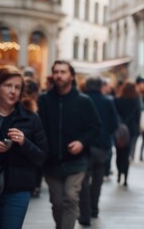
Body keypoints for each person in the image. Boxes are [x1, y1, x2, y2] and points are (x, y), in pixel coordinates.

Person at [38, 60, 101, 229]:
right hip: (51, 162)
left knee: (71, 198)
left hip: (76, 161)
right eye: (56, 71)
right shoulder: (43, 100)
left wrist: (82, 142)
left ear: (71, 76)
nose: (59, 75)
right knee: (57, 203)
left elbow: (96, 127)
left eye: (63, 72)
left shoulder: (84, 101)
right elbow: (38, 128)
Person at [0, 67, 48, 228]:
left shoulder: (30, 117)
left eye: (17, 87)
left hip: (18, 190)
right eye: (8, 86)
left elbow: (42, 156)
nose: (13, 91)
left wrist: (25, 143)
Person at [78, 76, 118, 226]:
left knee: (83, 181)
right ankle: (94, 209)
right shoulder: (108, 101)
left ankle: (85, 213)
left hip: (85, 146)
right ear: (101, 86)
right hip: (102, 146)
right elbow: (115, 124)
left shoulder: (82, 100)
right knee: (97, 180)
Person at [114, 81, 141, 186]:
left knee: (119, 153)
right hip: (131, 130)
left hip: (119, 130)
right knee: (126, 154)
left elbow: (115, 114)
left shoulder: (118, 100)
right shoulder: (136, 100)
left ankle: (119, 173)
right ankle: (125, 176)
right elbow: (138, 115)